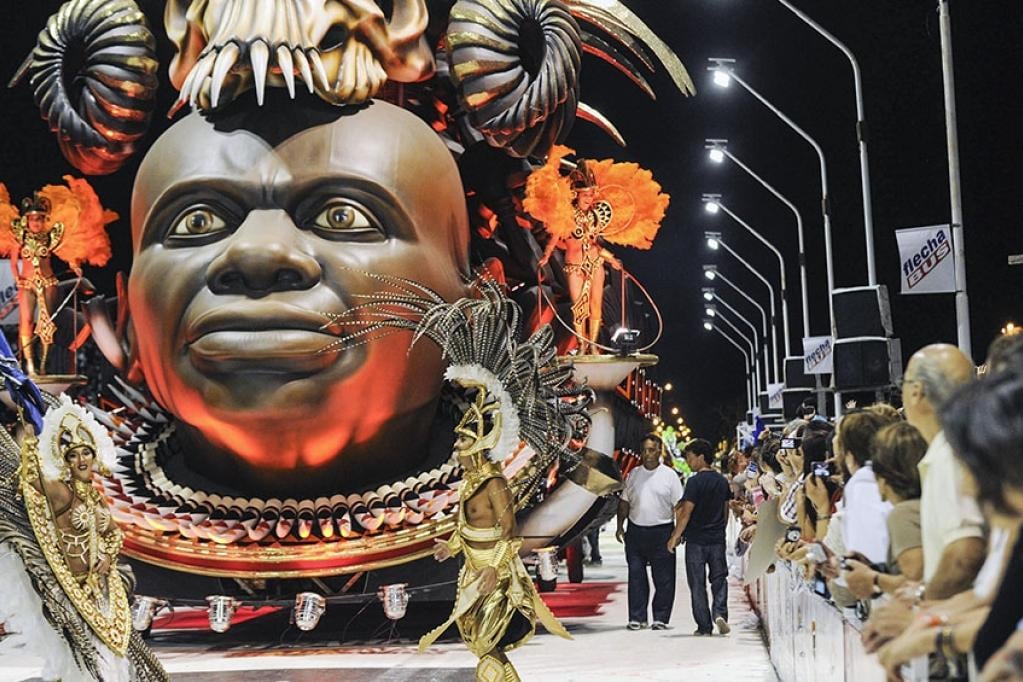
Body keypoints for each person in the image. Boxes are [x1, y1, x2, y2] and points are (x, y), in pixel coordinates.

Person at [0, 386, 167, 681]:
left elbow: (112, 534)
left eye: (86, 454)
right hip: (69, 580)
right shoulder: (58, 492)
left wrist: (107, 556)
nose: (81, 461)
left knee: (108, 656)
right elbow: (33, 480)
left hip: (98, 588)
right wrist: (26, 441)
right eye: (74, 454)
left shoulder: (91, 497)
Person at [420, 383, 571, 681]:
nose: (456, 451)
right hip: (471, 574)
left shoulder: (494, 484)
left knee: (486, 642)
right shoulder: (469, 484)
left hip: (495, 573)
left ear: (477, 447)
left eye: (461, 444)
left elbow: (510, 532)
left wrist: (493, 567)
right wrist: (451, 547)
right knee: (479, 644)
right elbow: (466, 526)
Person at [525, 146, 669, 354]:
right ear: (577, 194)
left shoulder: (596, 218)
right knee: (578, 308)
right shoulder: (565, 215)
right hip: (574, 266)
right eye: (586, 195)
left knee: (596, 307)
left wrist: (611, 260)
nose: (590, 199)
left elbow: (596, 246)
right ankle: (582, 346)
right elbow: (555, 237)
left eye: (592, 195)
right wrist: (546, 257)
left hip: (595, 264)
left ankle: (592, 347)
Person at [843, 421, 927, 598]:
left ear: (881, 479)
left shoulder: (904, 515)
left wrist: (874, 579)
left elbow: (915, 584)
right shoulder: (928, 504)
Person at [616, 433, 683, 630]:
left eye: (651, 450)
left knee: (664, 578)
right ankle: (637, 617)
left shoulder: (669, 476)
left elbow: (679, 506)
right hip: (636, 532)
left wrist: (677, 534)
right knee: (636, 575)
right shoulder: (633, 474)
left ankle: (660, 617)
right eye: (644, 450)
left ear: (659, 451)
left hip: (662, 532)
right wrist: (621, 525)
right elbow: (624, 502)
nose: (647, 454)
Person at [668, 438, 732, 636]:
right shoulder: (722, 481)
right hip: (716, 538)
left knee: (697, 583)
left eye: (690, 457)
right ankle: (720, 613)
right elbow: (726, 510)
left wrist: (675, 536)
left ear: (701, 457)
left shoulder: (694, 482)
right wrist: (720, 529)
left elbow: (686, 512)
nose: (688, 462)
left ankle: (704, 626)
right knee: (719, 579)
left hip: (696, 540)